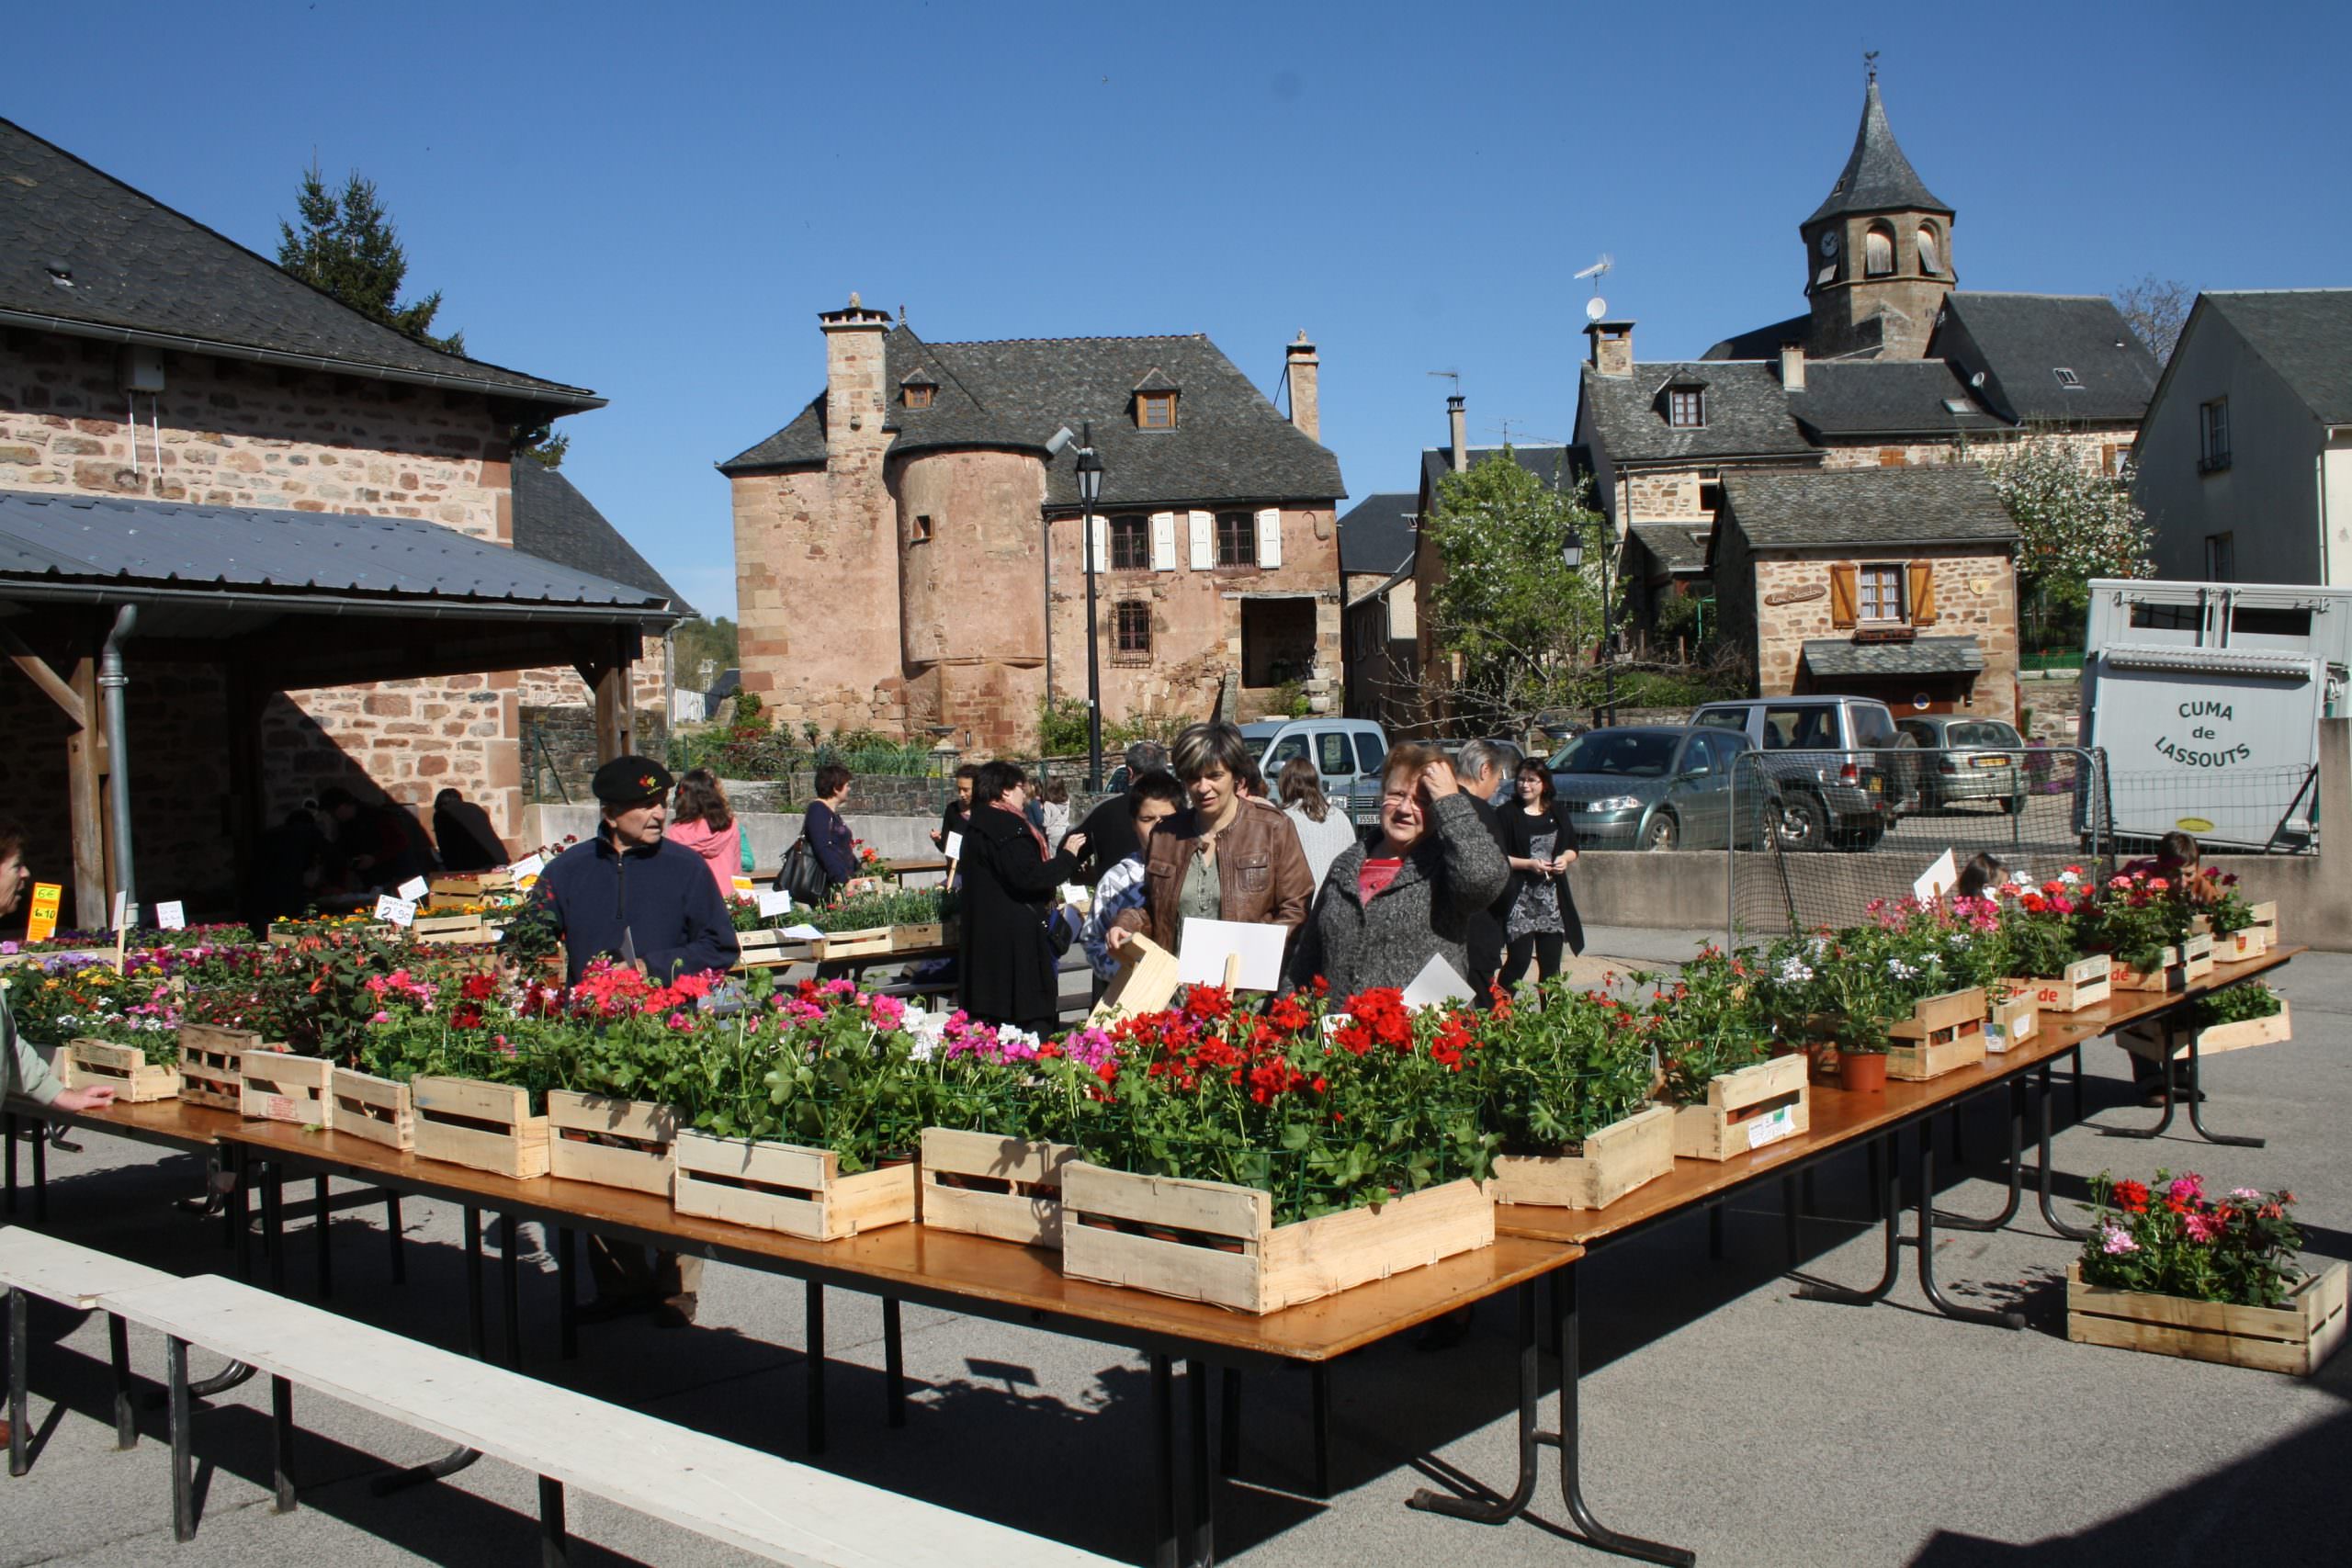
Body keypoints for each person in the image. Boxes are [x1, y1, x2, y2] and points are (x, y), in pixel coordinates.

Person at [529, 757, 737, 1327]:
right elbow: (528, 935)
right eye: (644, 805)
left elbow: (721, 947)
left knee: (670, 1158)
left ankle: (676, 1287)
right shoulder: (569, 870)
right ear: (610, 812)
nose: (657, 813)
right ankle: (621, 1285)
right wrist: (537, 961)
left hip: (668, 1035)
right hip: (592, 1038)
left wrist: (655, 966)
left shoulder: (684, 868)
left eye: (662, 802)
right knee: (594, 1160)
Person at [1287, 744, 1510, 997]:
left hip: (1421, 1031)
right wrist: (1282, 1020)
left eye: (1421, 801)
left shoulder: (1444, 865)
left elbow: (1485, 880)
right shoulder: (1346, 866)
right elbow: (1307, 957)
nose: (1404, 809)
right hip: (1341, 1031)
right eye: (1396, 794)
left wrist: (1451, 803)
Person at [1109, 723, 1314, 960]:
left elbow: (1297, 909)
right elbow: (1155, 910)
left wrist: (1260, 960)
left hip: (1248, 991)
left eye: (1215, 775)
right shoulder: (1165, 836)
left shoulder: (1273, 828)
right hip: (1179, 989)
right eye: (1193, 778)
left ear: (1236, 776)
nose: (1203, 787)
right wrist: (1127, 925)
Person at [958, 761, 1086, 1035]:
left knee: (994, 1023)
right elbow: (1029, 877)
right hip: (1017, 938)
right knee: (1029, 1015)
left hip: (988, 935)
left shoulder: (977, 823)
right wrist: (1068, 858)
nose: (1024, 793)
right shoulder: (1007, 826)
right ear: (1004, 791)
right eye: (1020, 787)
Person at [1080, 771, 1187, 984]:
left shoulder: (1198, 869)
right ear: (1133, 824)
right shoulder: (1116, 881)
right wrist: (1130, 973)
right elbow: (1093, 941)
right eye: (1147, 819)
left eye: (1166, 819)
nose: (1158, 827)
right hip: (1138, 997)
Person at [1498, 758, 1583, 992]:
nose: (1525, 785)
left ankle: (1551, 1021)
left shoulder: (1557, 811)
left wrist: (1563, 860)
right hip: (1520, 900)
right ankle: (1497, 1014)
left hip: (1552, 900)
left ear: (1544, 783)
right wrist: (1528, 864)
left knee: (1551, 968)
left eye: (1531, 780)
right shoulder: (1507, 813)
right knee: (1518, 962)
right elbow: (1498, 856)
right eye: (1521, 780)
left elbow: (1573, 848)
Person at [1452, 739, 1523, 1005]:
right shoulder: (1479, 812)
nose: (1496, 787)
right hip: (1477, 933)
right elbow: (1500, 879)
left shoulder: (1437, 805)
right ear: (1484, 770)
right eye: (1497, 777)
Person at [1066, 740, 1169, 880]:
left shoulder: (1103, 810)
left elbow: (1069, 851)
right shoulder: (1182, 811)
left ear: (1130, 773)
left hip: (1114, 894)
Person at [320, 784, 435, 891]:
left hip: (401, 875)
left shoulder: (377, 816)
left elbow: (400, 842)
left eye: (332, 812)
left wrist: (374, 858)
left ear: (343, 806)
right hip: (376, 881)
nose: (332, 816)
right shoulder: (345, 826)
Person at [1277, 758, 1358, 893]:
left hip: (1300, 901)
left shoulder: (1282, 819)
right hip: (1338, 897)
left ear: (1284, 785)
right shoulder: (1340, 816)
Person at [665, 768, 743, 903]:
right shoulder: (730, 826)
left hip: (690, 901)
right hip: (727, 900)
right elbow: (736, 870)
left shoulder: (674, 832)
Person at [799, 762, 871, 897]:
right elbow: (823, 848)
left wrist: (860, 868)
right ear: (836, 788)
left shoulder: (829, 813)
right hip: (829, 885)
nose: (849, 789)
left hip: (841, 881)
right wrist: (842, 880)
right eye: (847, 785)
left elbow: (840, 848)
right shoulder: (818, 810)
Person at [431, 787, 508, 874]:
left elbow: (445, 845)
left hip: (472, 866)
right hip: (498, 858)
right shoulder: (475, 808)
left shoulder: (441, 814)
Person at [931, 762, 978, 855]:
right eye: (959, 789)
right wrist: (938, 840)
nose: (961, 794)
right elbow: (946, 847)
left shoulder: (989, 813)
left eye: (966, 790)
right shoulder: (952, 810)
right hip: (957, 868)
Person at [1039, 779, 1072, 846]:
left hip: (1053, 833)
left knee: (1054, 855)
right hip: (1065, 831)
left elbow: (1046, 823)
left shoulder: (1047, 804)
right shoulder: (1067, 801)